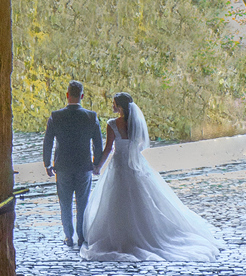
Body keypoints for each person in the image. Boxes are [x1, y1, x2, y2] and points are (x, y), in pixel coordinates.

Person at [80, 91, 222, 262]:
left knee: (117, 201)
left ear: (119, 106)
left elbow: (109, 149)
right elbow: (140, 145)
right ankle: (145, 233)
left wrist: (98, 166)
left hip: (118, 165)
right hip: (135, 164)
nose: (112, 105)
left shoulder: (112, 124)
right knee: (142, 200)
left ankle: (122, 236)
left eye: (114, 103)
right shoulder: (135, 123)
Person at [42, 80, 103, 249]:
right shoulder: (91, 117)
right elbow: (98, 143)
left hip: (62, 166)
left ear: (67, 95)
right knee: (83, 203)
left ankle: (69, 237)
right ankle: (82, 236)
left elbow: (48, 142)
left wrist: (47, 163)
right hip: (84, 165)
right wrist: (96, 163)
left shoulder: (55, 116)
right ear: (82, 96)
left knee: (65, 203)